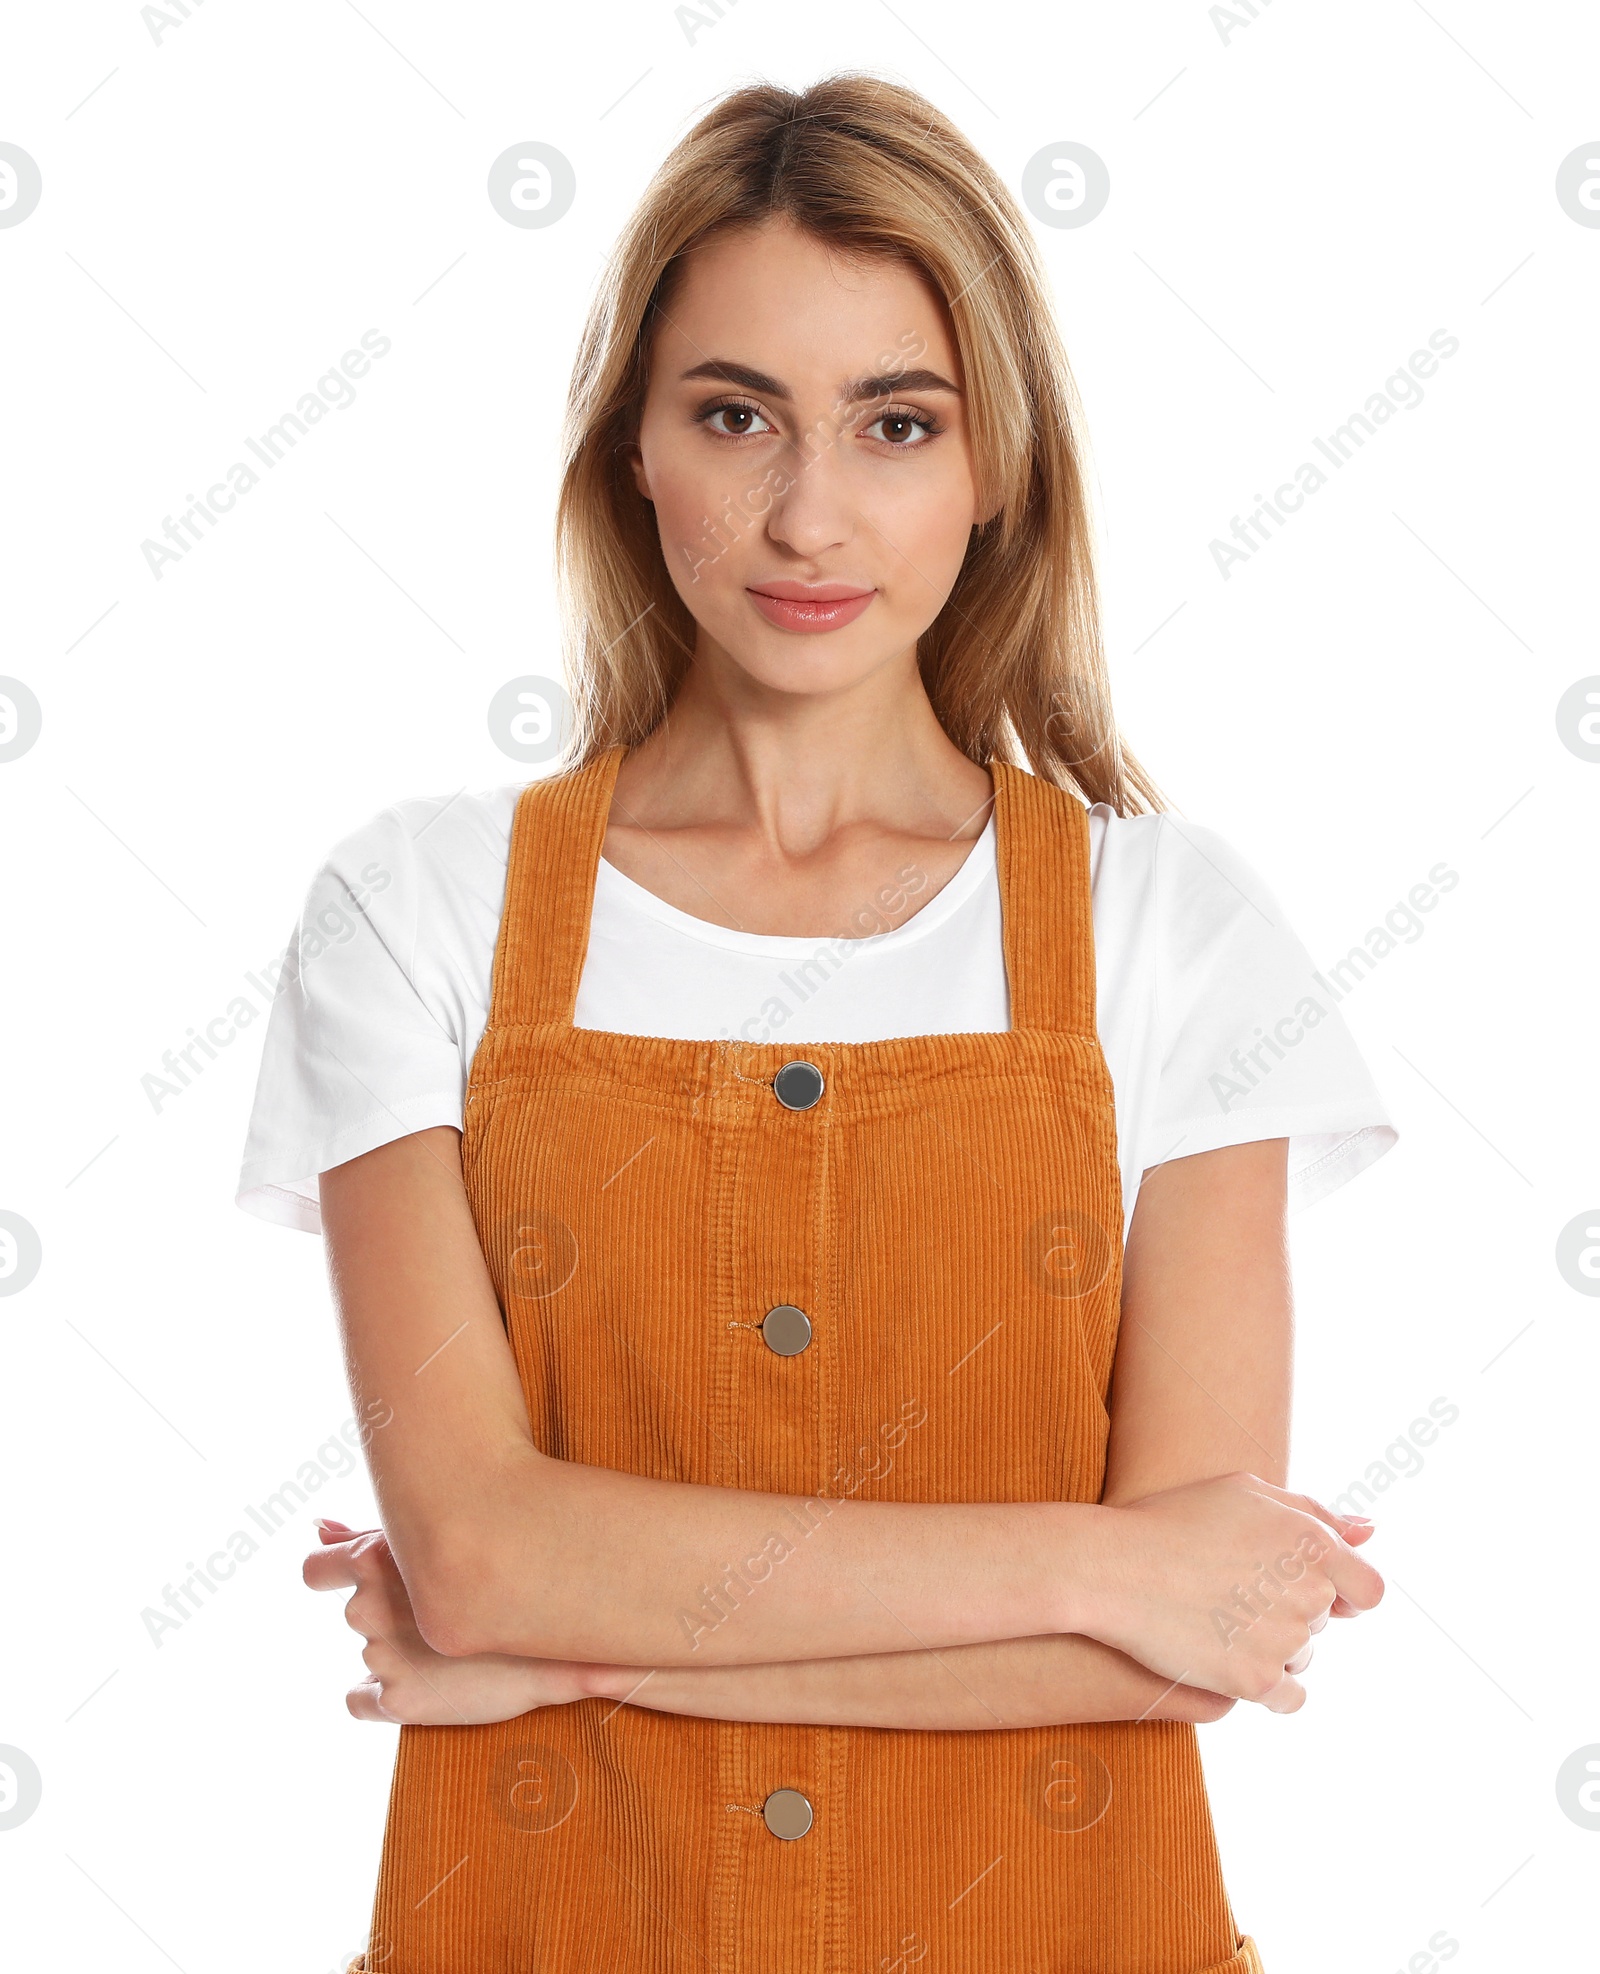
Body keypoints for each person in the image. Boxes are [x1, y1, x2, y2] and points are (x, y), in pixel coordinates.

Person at [237, 72, 1395, 1974]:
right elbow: (480, 1552)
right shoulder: (415, 913)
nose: (806, 512)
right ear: (635, 448)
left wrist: (550, 1650)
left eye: (896, 421)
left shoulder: (1173, 933)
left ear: (995, 461)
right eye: (734, 414)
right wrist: (1111, 1566)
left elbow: (1197, 1658)